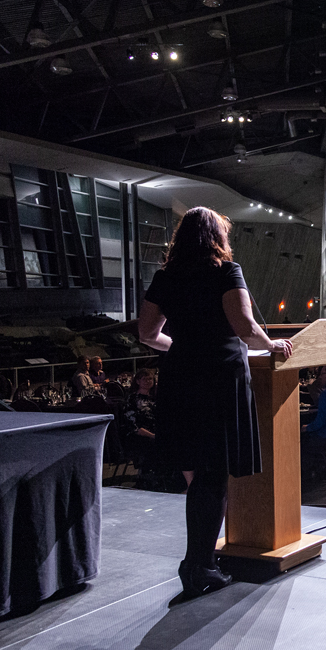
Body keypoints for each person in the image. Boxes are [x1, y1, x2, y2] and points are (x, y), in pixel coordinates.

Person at [138, 206, 292, 598]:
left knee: (197, 473)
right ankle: (199, 565)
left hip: (180, 378)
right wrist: (271, 343)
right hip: (219, 378)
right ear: (216, 237)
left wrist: (181, 347)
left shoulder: (165, 276)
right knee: (214, 474)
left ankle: (198, 561)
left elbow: (147, 333)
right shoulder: (225, 271)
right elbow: (244, 325)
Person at [120, 369, 167, 490]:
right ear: (137, 381)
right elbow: (133, 425)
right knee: (155, 444)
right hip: (138, 435)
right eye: (144, 379)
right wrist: (152, 435)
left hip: (156, 433)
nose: (147, 381)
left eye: (150, 379)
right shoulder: (132, 399)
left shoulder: (156, 399)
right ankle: (150, 478)